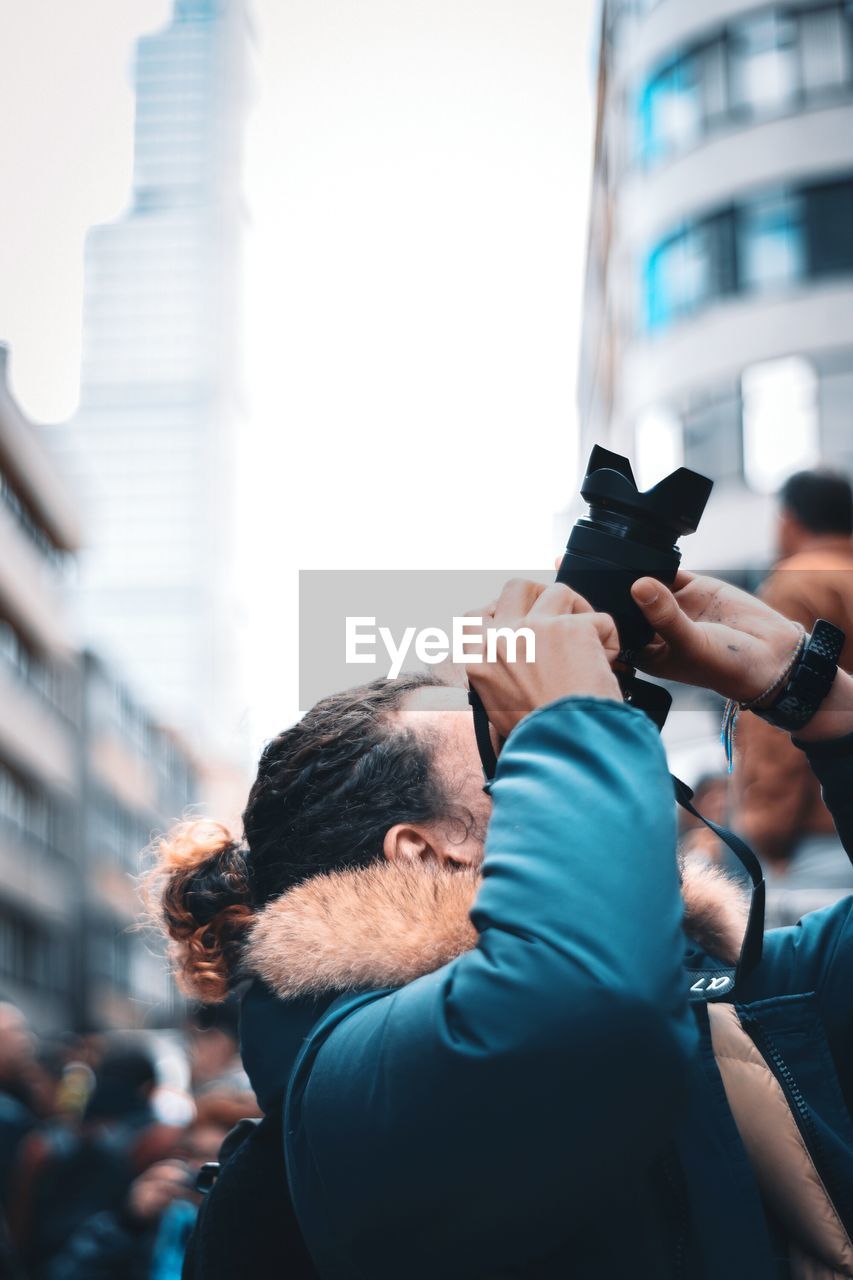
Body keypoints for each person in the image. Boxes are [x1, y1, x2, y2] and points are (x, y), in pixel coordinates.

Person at [148, 573, 853, 1278]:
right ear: (422, 855)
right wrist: (571, 717)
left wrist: (816, 699)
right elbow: (592, 1011)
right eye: (506, 749)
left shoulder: (719, 994)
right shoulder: (347, 1091)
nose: (533, 752)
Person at [734, 467, 853, 924]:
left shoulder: (796, 584)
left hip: (817, 833)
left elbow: (780, 713)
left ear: (789, 521)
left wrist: (769, 829)